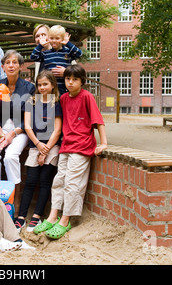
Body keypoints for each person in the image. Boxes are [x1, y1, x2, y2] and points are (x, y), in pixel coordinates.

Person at [33, 64, 107, 239]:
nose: (71, 82)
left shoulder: (87, 97)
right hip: (66, 145)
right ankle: (52, 216)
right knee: (59, 181)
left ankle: (65, 220)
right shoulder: (64, 99)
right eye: (68, 79)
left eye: (75, 79)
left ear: (82, 81)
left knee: (73, 183)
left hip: (82, 147)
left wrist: (103, 143)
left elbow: (98, 121)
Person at [0, 50, 35, 216]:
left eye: (15, 62)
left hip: (20, 130)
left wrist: (12, 135)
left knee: (10, 156)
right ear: (3, 66)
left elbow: (30, 116)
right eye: (8, 62)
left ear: (21, 66)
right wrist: (1, 135)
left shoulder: (29, 87)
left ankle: (14, 199)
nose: (11, 65)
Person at [15, 70, 62, 232]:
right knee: (30, 181)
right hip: (35, 146)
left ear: (52, 85)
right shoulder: (31, 101)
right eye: (39, 85)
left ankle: (37, 216)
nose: (42, 88)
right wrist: (37, 145)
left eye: (45, 84)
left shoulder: (56, 103)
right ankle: (21, 217)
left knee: (44, 182)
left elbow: (57, 130)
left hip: (52, 147)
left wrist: (46, 149)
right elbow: (27, 126)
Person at [30, 25, 83, 96]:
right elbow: (33, 57)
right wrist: (40, 46)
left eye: (43, 35)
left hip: (64, 90)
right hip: (49, 92)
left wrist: (68, 44)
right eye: (51, 38)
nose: (54, 40)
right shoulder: (44, 54)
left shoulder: (67, 52)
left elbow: (79, 54)